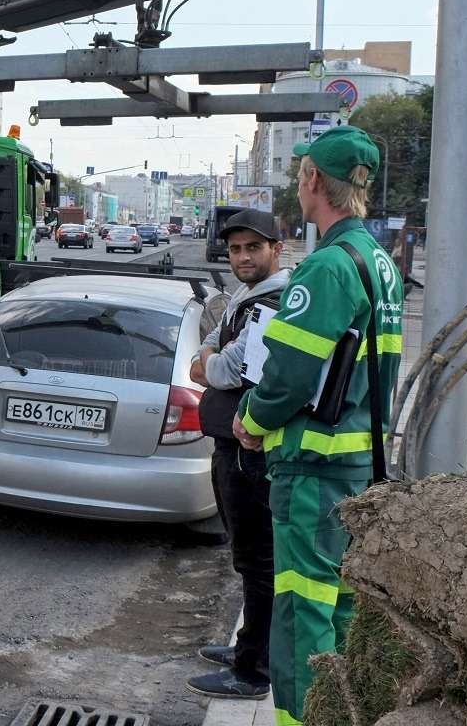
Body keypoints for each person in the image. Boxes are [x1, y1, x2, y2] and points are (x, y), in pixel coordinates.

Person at [232, 126, 404, 726]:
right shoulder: (379, 261)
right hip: (358, 466)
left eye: (300, 171)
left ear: (311, 180)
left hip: (313, 470)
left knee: (302, 616)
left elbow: (288, 379)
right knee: (341, 610)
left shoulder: (328, 266)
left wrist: (250, 420)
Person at [186, 209, 290, 701]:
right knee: (246, 557)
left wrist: (211, 363)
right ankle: (248, 645)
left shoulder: (278, 300)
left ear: (277, 248)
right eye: (235, 249)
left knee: (259, 559)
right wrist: (211, 361)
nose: (243, 256)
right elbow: (208, 352)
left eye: (253, 247)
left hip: (254, 451)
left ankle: (254, 670)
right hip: (230, 446)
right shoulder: (245, 297)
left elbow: (229, 369)